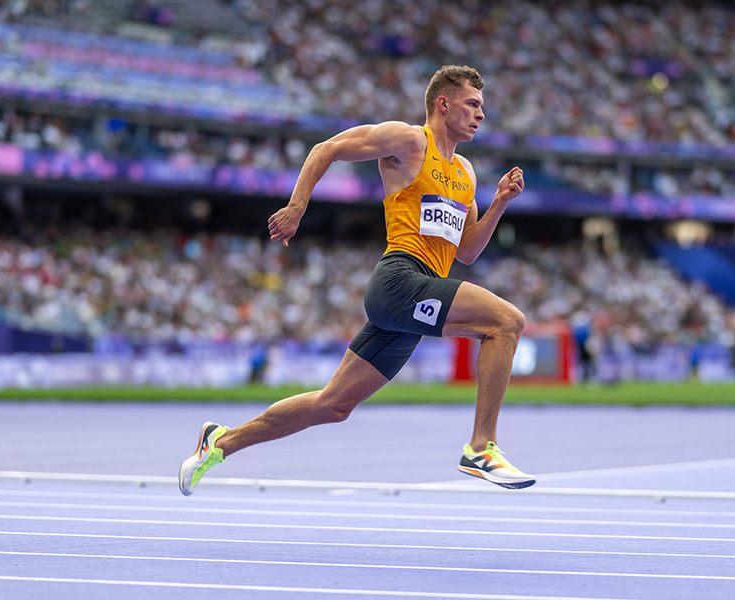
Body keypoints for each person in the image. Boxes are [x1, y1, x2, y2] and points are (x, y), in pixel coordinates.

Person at [179, 65, 534, 495]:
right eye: (472, 104)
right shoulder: (408, 141)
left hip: (414, 297)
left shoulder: (466, 173)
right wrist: (297, 207)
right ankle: (481, 447)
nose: (481, 114)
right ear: (444, 103)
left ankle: (220, 442)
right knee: (506, 322)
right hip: (400, 279)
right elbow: (326, 148)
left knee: (333, 405)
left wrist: (497, 204)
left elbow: (468, 252)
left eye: (482, 107)